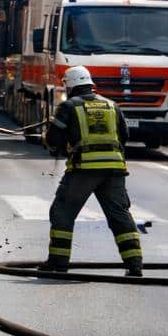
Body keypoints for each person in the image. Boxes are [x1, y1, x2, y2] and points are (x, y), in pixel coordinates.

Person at [42, 66, 143, 276]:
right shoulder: (112, 106)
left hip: (84, 170)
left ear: (69, 85)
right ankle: (134, 264)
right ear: (90, 84)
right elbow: (124, 135)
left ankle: (58, 263)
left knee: (62, 212)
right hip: (114, 169)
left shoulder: (68, 106)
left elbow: (54, 139)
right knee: (119, 215)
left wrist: (50, 140)